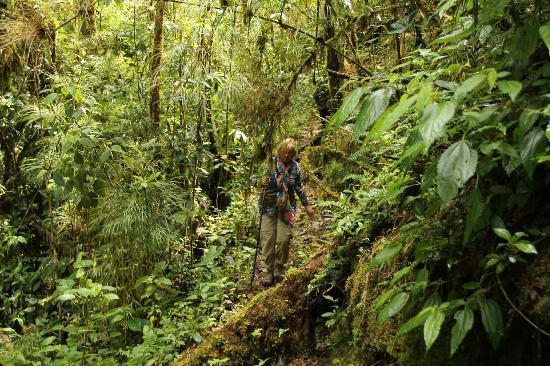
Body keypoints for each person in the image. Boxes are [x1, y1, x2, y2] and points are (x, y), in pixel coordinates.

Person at [258, 138, 314, 286]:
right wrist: (261, 184)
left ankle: (279, 268)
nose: (287, 156)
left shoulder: (296, 167)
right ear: (279, 150)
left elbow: (298, 187)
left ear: (294, 154)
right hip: (268, 207)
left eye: (290, 153)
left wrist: (307, 205)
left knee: (284, 240)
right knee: (268, 240)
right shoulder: (270, 164)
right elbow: (256, 181)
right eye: (284, 152)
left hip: (286, 208)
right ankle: (268, 272)